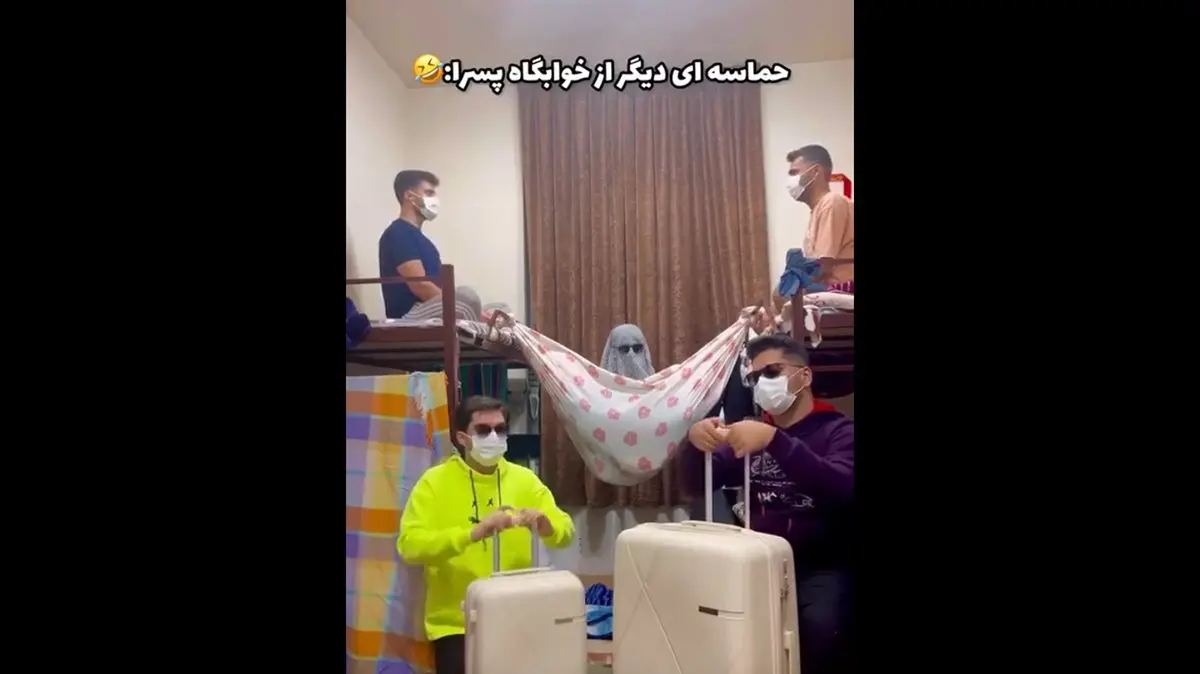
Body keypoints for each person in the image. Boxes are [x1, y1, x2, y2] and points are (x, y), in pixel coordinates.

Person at [679, 332, 854, 674]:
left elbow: (842, 487)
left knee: (822, 632)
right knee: (726, 631)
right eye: (755, 378)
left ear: (804, 376)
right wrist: (696, 444)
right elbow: (694, 485)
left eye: (772, 372)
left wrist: (776, 441)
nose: (761, 383)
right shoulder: (752, 433)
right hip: (761, 562)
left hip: (823, 566)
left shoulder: (839, 431)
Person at [397, 395, 575, 674]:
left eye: (500, 429)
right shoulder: (434, 483)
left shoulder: (525, 479)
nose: (494, 437)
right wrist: (473, 533)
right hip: (457, 623)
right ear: (462, 437)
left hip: (519, 614)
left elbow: (565, 532)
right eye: (483, 430)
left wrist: (546, 525)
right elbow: (410, 546)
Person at [378, 169, 445, 319]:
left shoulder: (424, 241)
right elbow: (420, 285)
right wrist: (456, 304)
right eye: (429, 193)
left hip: (430, 311)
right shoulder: (398, 233)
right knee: (467, 297)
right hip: (409, 316)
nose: (434, 200)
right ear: (409, 196)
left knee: (493, 308)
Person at [786, 145, 855, 285]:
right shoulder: (819, 208)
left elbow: (822, 266)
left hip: (839, 291)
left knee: (782, 292)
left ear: (816, 171)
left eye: (795, 173)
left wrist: (792, 285)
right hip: (827, 291)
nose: (790, 181)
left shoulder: (831, 202)